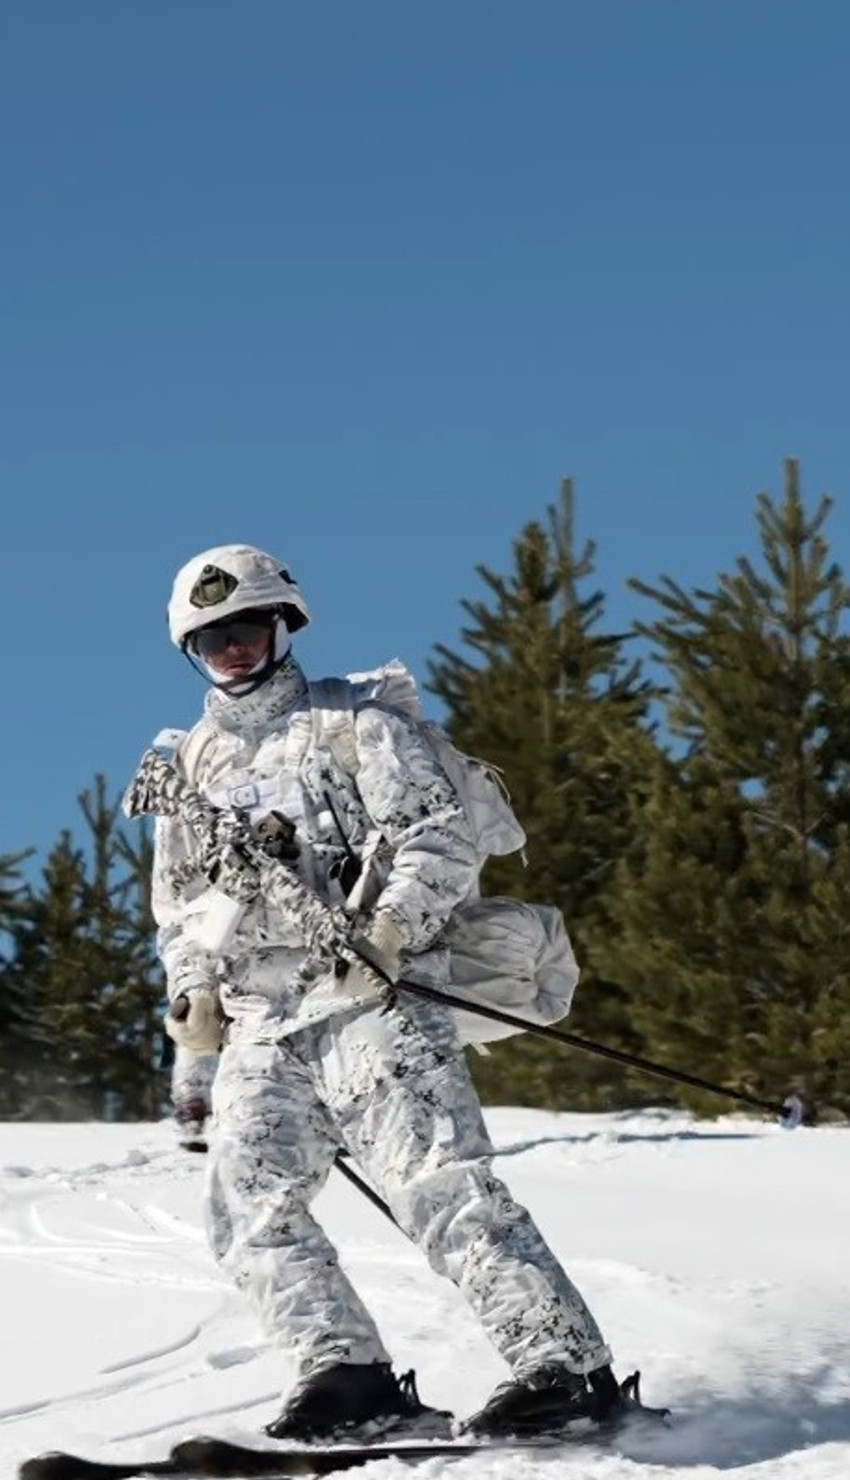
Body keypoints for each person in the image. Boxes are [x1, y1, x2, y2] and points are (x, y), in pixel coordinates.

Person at [146, 542, 635, 1443]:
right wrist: (193, 990)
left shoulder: (357, 724)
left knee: (436, 1182)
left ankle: (563, 1366)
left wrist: (389, 933)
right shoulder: (190, 770)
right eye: (213, 639)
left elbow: (438, 837)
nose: (233, 650)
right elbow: (181, 907)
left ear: (284, 625)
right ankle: (345, 1373)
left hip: (376, 996)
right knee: (244, 1203)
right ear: (192, 651)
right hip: (262, 1020)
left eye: (247, 628)